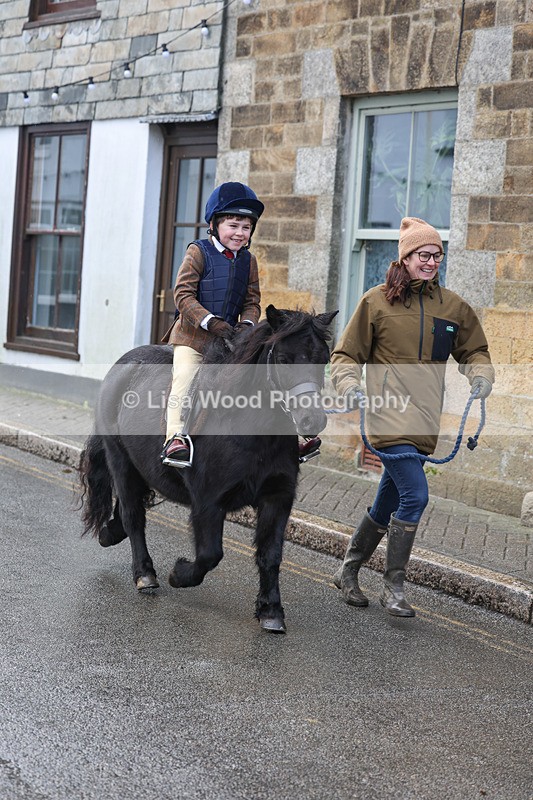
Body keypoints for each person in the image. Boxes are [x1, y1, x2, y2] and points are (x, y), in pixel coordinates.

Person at [330, 217, 495, 617]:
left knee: (389, 498)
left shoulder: (452, 307)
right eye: (424, 254)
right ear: (405, 258)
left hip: (425, 422)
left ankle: (348, 571)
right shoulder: (375, 302)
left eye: (437, 255)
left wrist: (480, 376)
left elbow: (475, 351)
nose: (432, 261)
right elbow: (345, 356)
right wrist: (350, 385)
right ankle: (394, 588)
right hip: (388, 417)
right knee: (416, 495)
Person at [160, 181, 264, 467]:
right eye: (233, 225)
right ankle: (175, 439)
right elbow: (182, 294)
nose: (240, 233)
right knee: (185, 380)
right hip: (193, 339)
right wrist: (210, 321)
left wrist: (247, 324)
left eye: (246, 227)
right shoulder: (198, 251)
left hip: (231, 340)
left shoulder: (249, 261)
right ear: (216, 224)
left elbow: (252, 301)